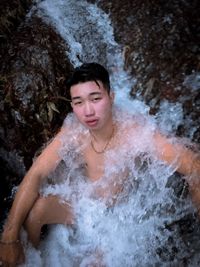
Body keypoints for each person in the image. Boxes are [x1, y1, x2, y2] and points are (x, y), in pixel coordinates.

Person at [0, 62, 200, 267]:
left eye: (95, 99)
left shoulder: (134, 132)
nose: (88, 111)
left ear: (111, 97)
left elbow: (193, 165)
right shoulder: (74, 131)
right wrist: (9, 235)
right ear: (72, 106)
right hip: (87, 204)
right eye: (79, 102)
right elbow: (37, 174)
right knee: (35, 213)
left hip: (121, 217)